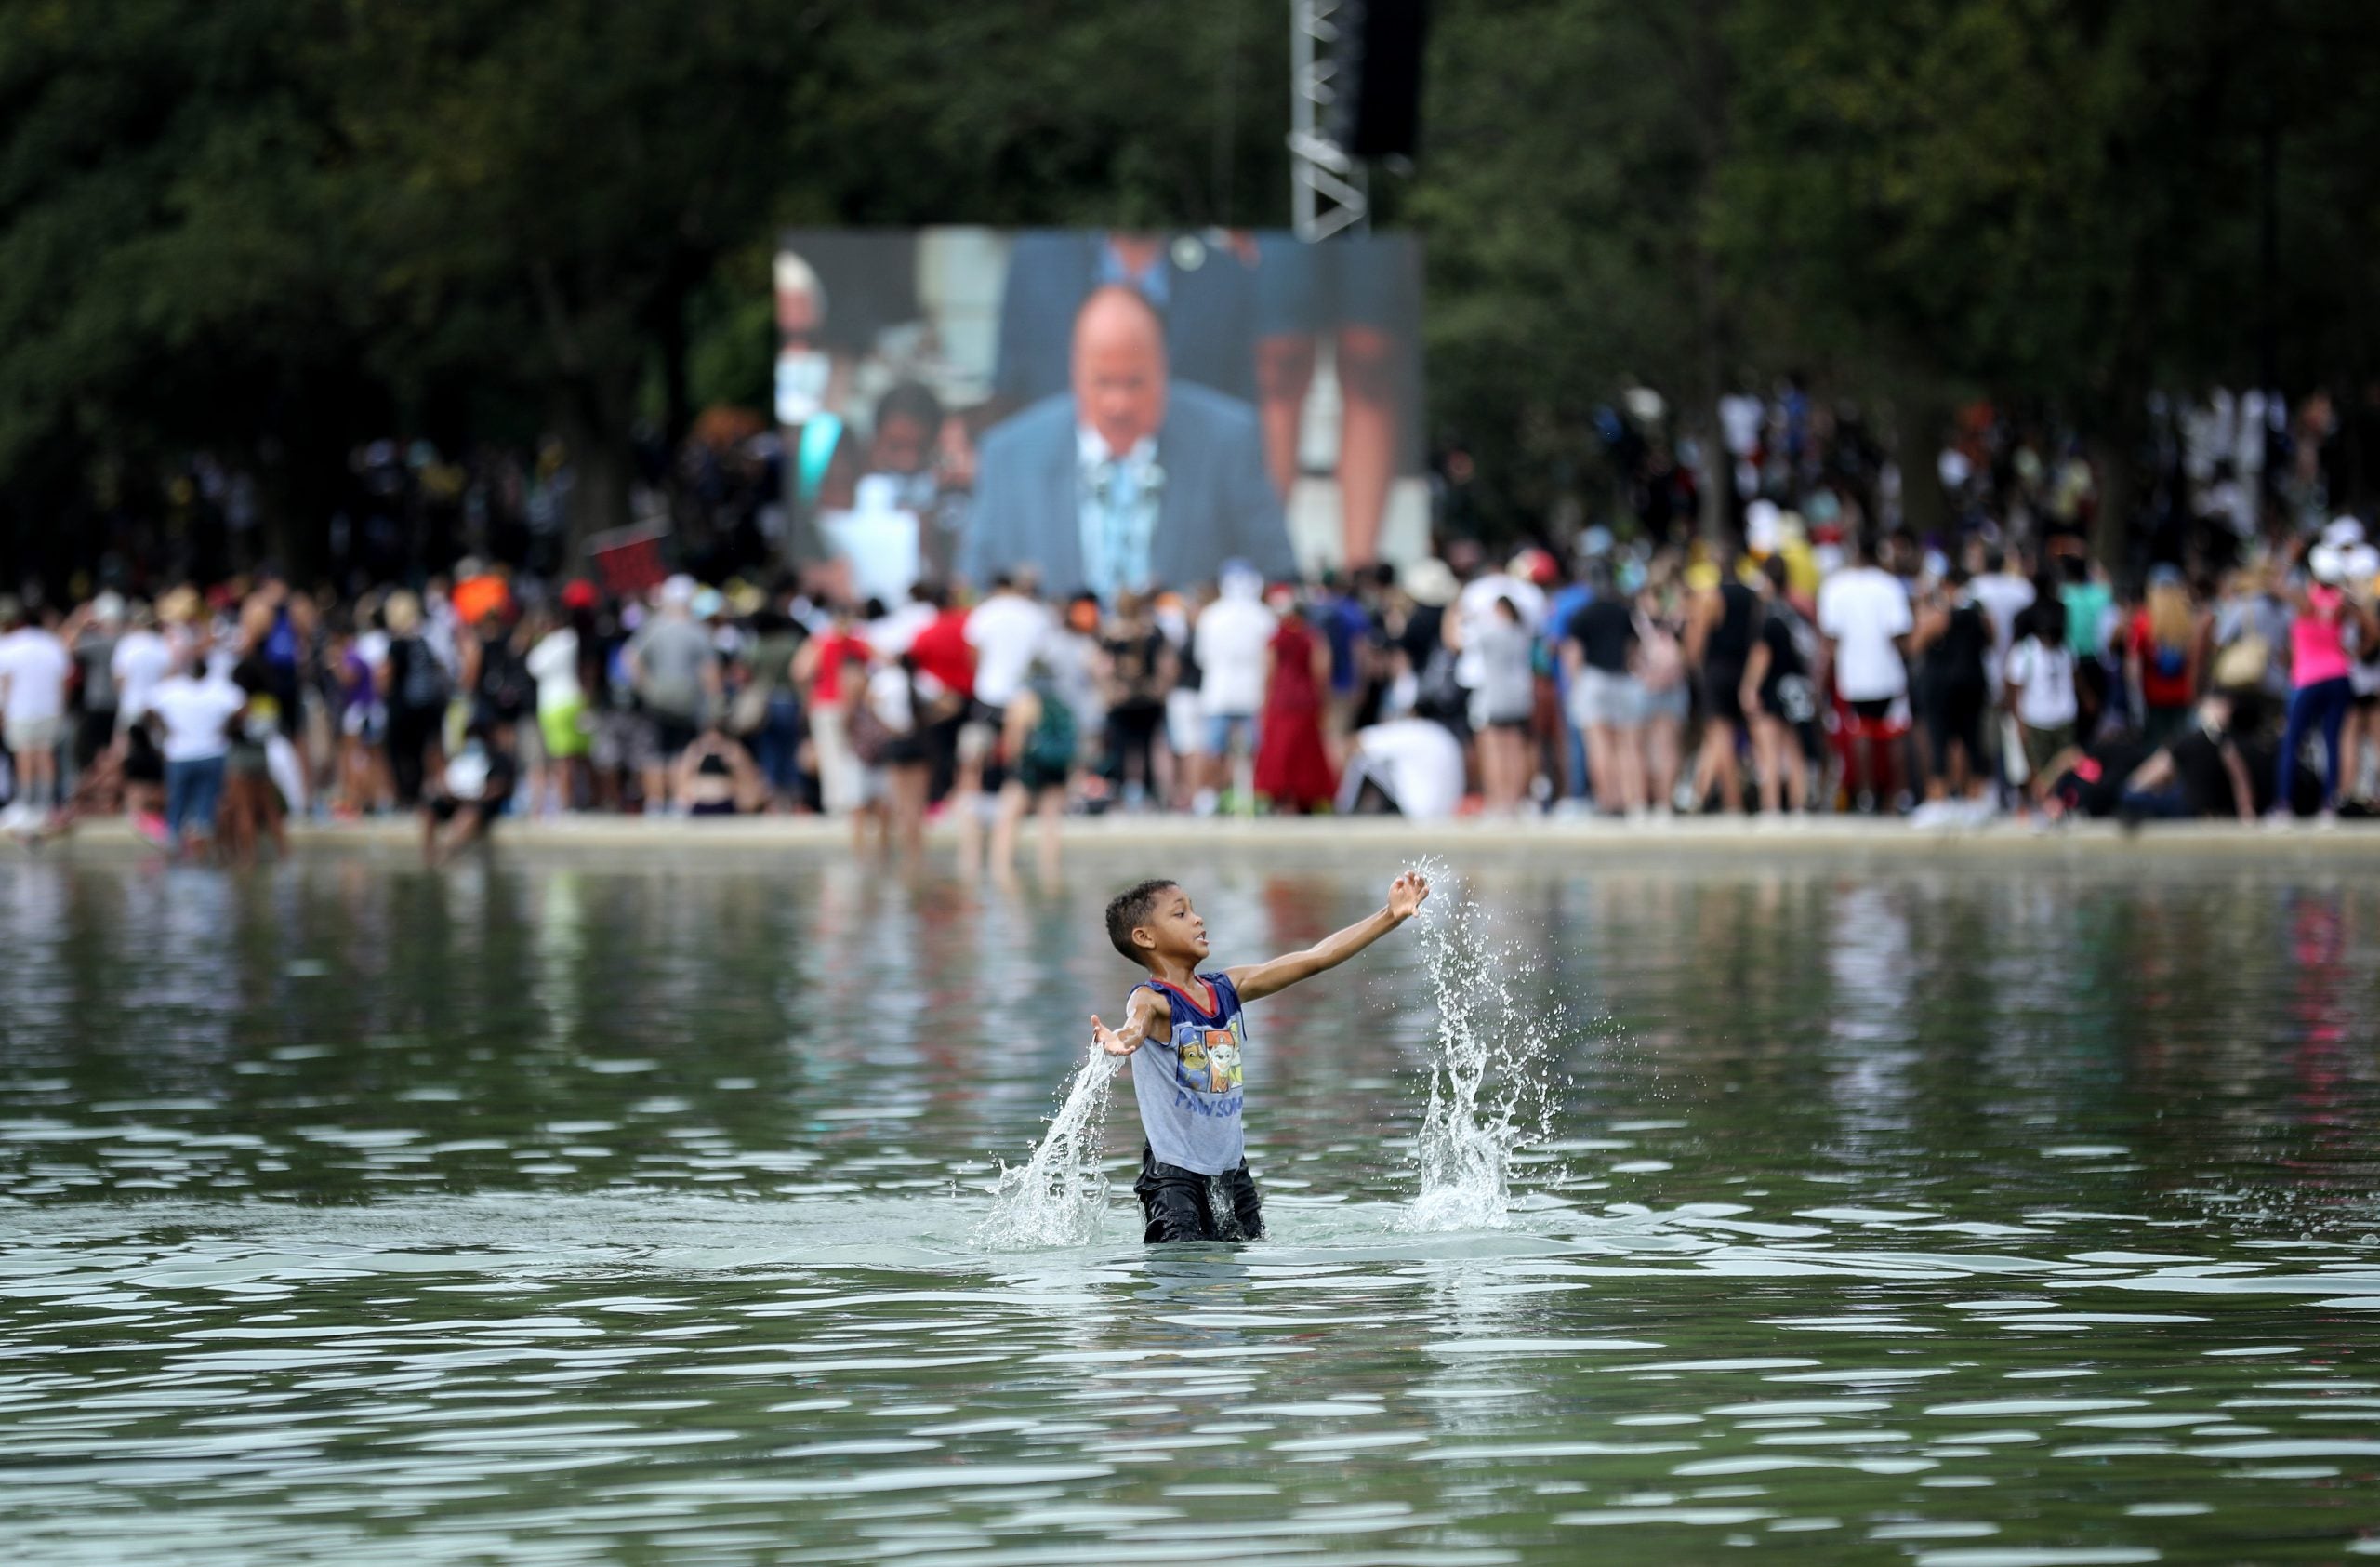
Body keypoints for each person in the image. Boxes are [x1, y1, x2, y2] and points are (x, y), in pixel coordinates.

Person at [1091, 870, 1432, 1243]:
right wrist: (1121, 1040)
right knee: (1180, 1278)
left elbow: (1316, 958)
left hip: (1232, 1172)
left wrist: (1389, 915)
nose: (1198, 919)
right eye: (1181, 914)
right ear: (1145, 937)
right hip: (1174, 1180)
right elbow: (1134, 1024)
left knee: (1243, 1267)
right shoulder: (1152, 999)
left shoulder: (1228, 988)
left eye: (1194, 910)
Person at [962, 286, 1295, 594]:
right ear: (1075, 369)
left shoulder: (1228, 442)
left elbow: (1280, 579)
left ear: (1162, 366)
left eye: (1134, 382)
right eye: (1103, 382)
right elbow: (971, 595)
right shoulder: (1009, 457)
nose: (1118, 404)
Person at [2276, 543, 2375, 817]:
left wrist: (2289, 557)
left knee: (2291, 742)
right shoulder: (2342, 603)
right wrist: (2355, 653)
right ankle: (2328, 805)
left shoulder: (2303, 600)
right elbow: (2372, 630)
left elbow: (2275, 583)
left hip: (2307, 680)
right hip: (2339, 676)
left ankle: (2284, 805)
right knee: (2332, 742)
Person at [1817, 533, 1912, 810]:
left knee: (1862, 735)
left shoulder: (1835, 587)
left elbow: (1830, 640)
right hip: (1888, 673)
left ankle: (1866, 795)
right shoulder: (1889, 586)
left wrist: (1823, 677)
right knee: (1894, 734)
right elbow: (1899, 634)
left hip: (1854, 675)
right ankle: (1899, 794)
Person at [627, 576, 719, 808]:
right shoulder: (698, 630)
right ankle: (679, 802)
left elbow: (631, 658)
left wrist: (645, 687)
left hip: (656, 700)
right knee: (682, 753)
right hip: (688, 701)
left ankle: (655, 804)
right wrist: (714, 705)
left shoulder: (652, 626)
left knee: (654, 753)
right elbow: (710, 672)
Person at [1193, 564, 1276, 814]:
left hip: (1219, 691)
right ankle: (1253, 795)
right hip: (1253, 692)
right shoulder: (1264, 616)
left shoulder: (1211, 616)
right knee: (1254, 751)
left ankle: (1207, 798)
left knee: (1213, 750)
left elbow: (1202, 656)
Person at [1561, 562, 1643, 817]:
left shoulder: (1582, 614)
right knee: (1627, 745)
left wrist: (1573, 686)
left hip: (1593, 679)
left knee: (1599, 745)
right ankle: (1632, 800)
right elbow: (1633, 647)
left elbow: (1573, 655)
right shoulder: (1623, 611)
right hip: (1623, 679)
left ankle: (1608, 800)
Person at [149, 647, 245, 857]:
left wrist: (164, 733)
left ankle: (175, 851)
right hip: (212, 753)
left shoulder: (171, 689)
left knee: (177, 804)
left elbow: (149, 710)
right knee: (205, 808)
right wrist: (226, 730)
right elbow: (242, 709)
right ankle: (200, 856)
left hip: (179, 755)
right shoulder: (220, 688)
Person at [1737, 555, 1814, 816]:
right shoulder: (1795, 612)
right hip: (1797, 685)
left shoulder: (1769, 614)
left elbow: (1761, 653)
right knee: (1794, 748)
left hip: (1772, 685)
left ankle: (1771, 805)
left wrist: (1749, 687)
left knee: (1767, 748)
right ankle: (1798, 805)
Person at [1911, 566, 1993, 810]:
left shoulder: (1941, 613)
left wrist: (1924, 606)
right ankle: (1973, 800)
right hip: (1973, 684)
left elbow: (1916, 643)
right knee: (1971, 744)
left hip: (1942, 688)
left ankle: (1940, 801)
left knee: (1940, 745)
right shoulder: (1980, 615)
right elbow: (1991, 639)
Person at [1252, 592, 1336, 814]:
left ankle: (1279, 795)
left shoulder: (1276, 638)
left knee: (1280, 752)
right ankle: (1304, 796)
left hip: (1281, 703)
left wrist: (1264, 703)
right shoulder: (1312, 637)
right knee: (1305, 754)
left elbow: (1269, 673)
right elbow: (1321, 671)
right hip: (1306, 703)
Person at [990, 659, 1075, 879]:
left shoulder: (1023, 703)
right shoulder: (1059, 703)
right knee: (1050, 823)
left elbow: (1013, 744)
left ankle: (1003, 874)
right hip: (1055, 770)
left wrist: (1012, 768)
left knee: (1007, 822)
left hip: (1029, 770)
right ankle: (1051, 877)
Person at [2118, 694, 2259, 822]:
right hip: (2199, 807)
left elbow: (2143, 779)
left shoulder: (2214, 742)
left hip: (2190, 808)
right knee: (2133, 795)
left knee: (2129, 795)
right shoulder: (2218, 742)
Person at [1686, 565, 1759, 814]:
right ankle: (1699, 794)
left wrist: (1694, 666)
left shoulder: (1711, 597)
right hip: (1745, 670)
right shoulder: (1754, 597)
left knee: (1721, 738)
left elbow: (1697, 641)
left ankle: (1732, 802)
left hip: (1717, 672)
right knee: (1720, 739)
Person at [0, 598, 73, 825]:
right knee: (45, 754)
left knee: (24, 755)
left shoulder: (11, 644)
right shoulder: (53, 643)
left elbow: (6, 681)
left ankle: (26, 804)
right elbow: (64, 680)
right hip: (50, 708)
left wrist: (3, 710)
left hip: (20, 709)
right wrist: (62, 707)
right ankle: (45, 804)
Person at [1100, 590, 1173, 811]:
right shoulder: (1120, 632)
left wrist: (1159, 687)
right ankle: (1133, 792)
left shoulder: (1128, 631)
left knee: (1136, 746)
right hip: (1133, 698)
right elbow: (1104, 666)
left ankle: (1137, 793)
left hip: (1140, 698)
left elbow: (1165, 664)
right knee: (1131, 747)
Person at [2004, 595, 2078, 799]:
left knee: (2065, 766)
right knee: (2037, 768)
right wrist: (2019, 723)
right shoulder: (2024, 652)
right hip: (2035, 719)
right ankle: (2043, 806)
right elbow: (2014, 689)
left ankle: (2063, 804)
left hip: (2064, 717)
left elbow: (2074, 677)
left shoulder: (2066, 649)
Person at [1469, 595, 1537, 814]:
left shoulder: (1492, 633)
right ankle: (1516, 798)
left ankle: (1499, 799)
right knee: (1516, 750)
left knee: (1494, 751)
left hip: (1494, 698)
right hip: (1519, 697)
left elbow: (1459, 639)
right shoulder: (1521, 633)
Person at [2126, 564, 2204, 751]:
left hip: (2153, 696)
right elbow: (2196, 662)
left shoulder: (2143, 620)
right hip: (2183, 695)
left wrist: (2135, 702)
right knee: (2181, 748)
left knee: (2155, 749)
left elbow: (2133, 664)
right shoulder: (2190, 620)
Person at [420, 720, 517, 868]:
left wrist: (473, 797)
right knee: (430, 810)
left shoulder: (498, 759)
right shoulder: (460, 759)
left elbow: (498, 787)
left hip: (479, 804)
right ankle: (428, 856)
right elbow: (446, 782)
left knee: (468, 814)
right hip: (458, 799)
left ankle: (446, 856)